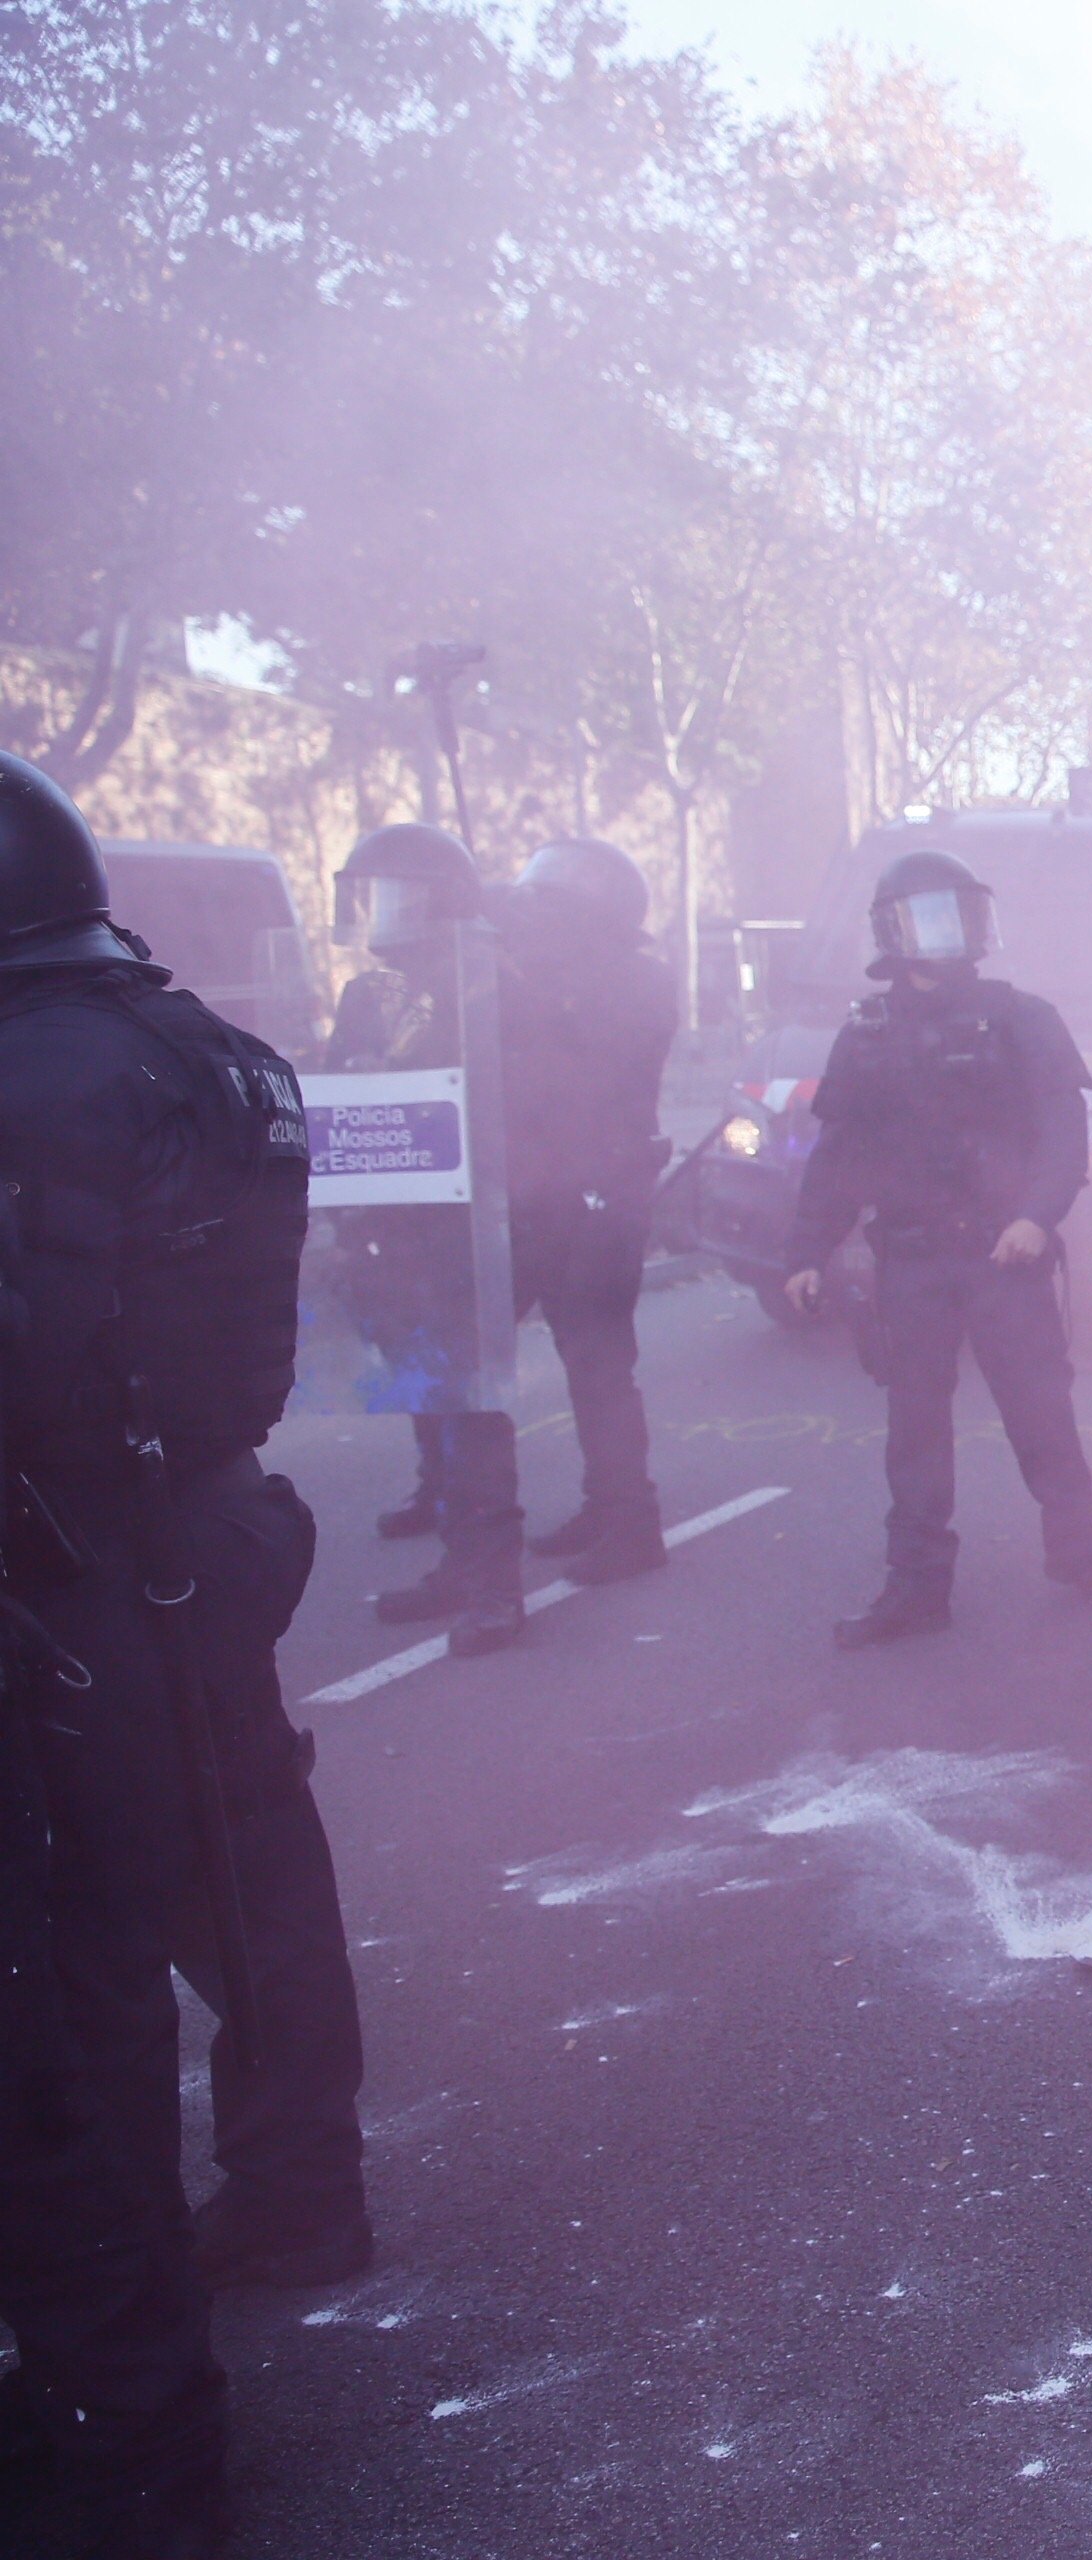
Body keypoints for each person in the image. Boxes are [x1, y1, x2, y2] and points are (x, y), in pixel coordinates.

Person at [0, 749, 352, 2551]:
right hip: (212, 1523)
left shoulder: (36, 1080)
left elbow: (37, 1360)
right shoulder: (206, 1045)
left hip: (69, 1566)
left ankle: (134, 2423)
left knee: (77, 1990)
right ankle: (302, 2193)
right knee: (251, 1872)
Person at [784, 849, 1092, 1644]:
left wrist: (1036, 1218)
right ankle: (916, 1589)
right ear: (891, 934)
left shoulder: (1025, 1019)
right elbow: (838, 1157)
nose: (945, 937)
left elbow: (1061, 1137)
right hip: (910, 1262)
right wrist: (805, 1253)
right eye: (924, 918)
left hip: (1002, 1257)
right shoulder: (866, 1032)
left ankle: (1079, 1558)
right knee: (915, 1432)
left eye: (956, 915)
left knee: (1040, 1412)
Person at [332, 823, 529, 1654]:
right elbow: (340, 1081)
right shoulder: (365, 998)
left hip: (465, 1231)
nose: (385, 916)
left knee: (474, 1413)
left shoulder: (494, 989)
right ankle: (456, 1565)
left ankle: (496, 1590)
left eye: (401, 896)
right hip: (393, 1227)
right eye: (374, 897)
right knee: (433, 1406)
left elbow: (526, 1108)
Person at [494, 838, 677, 1582]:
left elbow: (587, 1054)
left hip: (607, 1197)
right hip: (547, 1192)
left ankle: (634, 1525)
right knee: (579, 1360)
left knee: (602, 1363)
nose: (537, 925)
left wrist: (521, 980)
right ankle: (605, 1504)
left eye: (553, 910)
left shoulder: (638, 980)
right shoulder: (555, 975)